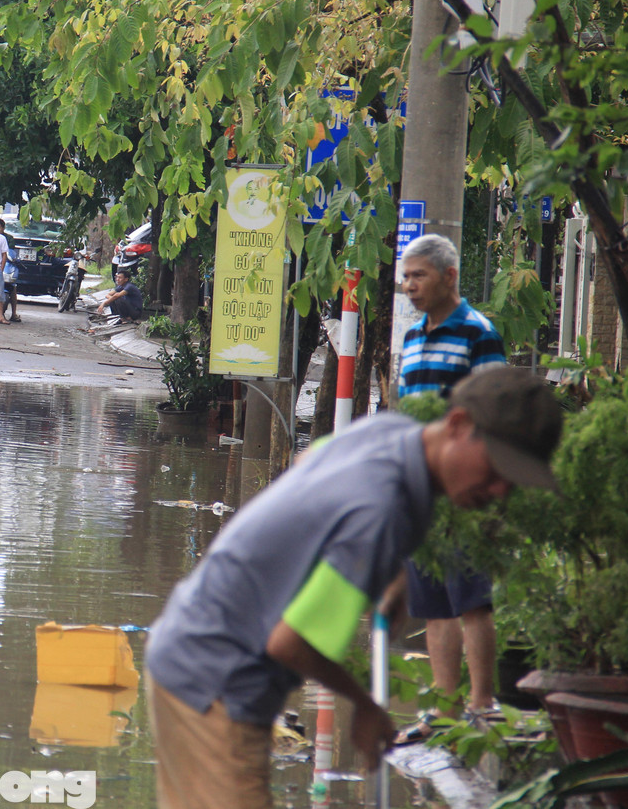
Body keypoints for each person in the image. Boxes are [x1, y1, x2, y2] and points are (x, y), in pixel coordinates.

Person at [146, 365, 564, 809]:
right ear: (459, 425)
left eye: (515, 479)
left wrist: (396, 570)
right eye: (497, 467)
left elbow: (311, 463)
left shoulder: (391, 432)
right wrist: (363, 705)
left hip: (187, 645)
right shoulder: (380, 512)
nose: (500, 490)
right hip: (213, 683)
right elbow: (290, 642)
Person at [394, 233, 508, 742]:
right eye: (407, 276)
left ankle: (483, 702)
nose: (409, 286)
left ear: (449, 277)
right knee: (432, 603)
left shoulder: (478, 332)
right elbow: (405, 412)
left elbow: (496, 411)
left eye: (418, 276)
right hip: (423, 487)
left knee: (472, 599)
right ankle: (443, 705)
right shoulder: (413, 337)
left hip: (465, 488)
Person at [0, 218, 21, 322]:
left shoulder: (9, 239)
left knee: (13, 287)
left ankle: (14, 313)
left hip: (5, 266)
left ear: (3, 228)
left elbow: (10, 252)